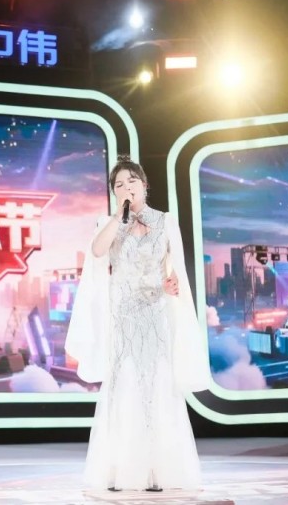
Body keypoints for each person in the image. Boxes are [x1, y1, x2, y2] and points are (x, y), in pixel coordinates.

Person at [65, 155, 210, 492]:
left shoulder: (166, 221)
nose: (126, 187)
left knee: (157, 385)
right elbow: (97, 252)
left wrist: (172, 282)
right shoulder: (110, 222)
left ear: (144, 185)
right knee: (124, 386)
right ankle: (120, 470)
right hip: (123, 316)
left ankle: (158, 471)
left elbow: (174, 268)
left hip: (156, 314)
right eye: (119, 184)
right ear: (114, 193)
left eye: (132, 181)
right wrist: (119, 217)